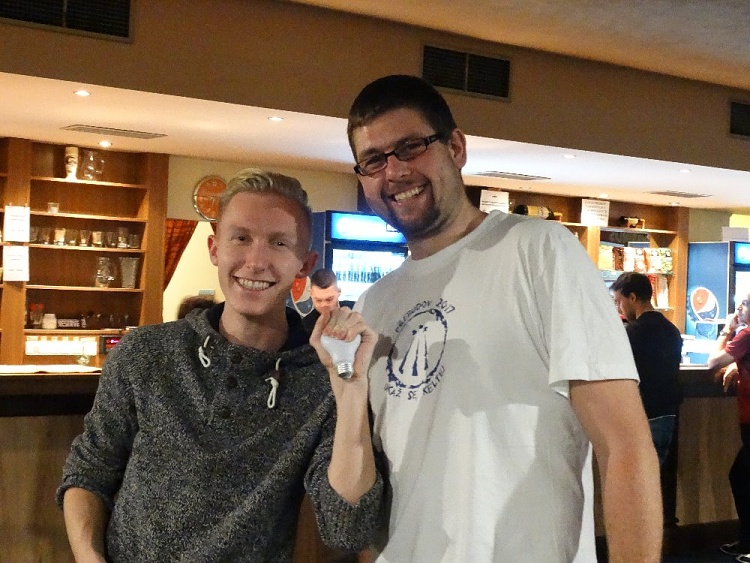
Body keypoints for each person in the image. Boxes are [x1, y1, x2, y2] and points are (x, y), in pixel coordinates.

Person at [344, 74, 662, 562]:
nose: (395, 171)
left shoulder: (540, 251)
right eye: (373, 160)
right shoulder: (373, 304)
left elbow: (624, 445)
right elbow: (376, 481)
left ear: (456, 147)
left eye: (410, 147)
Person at [56, 168, 385, 561]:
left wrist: (350, 389)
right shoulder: (145, 353)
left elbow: (348, 528)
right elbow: (89, 472)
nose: (256, 261)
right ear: (214, 249)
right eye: (240, 238)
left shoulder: (321, 380)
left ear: (304, 264)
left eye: (279, 243)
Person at [610, 272, 683, 466]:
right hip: (668, 414)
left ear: (632, 298)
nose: (619, 308)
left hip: (643, 414)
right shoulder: (672, 330)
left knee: (638, 473)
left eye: (619, 302)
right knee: (656, 473)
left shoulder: (632, 333)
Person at [708, 294, 750, 561]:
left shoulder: (746, 334)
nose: (739, 309)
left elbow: (712, 361)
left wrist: (726, 329)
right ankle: (746, 541)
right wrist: (736, 363)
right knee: (741, 477)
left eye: (744, 305)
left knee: (740, 477)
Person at [302, 267, 355, 333]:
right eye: (318, 300)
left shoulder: (356, 309)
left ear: (339, 291)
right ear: (311, 294)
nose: (324, 305)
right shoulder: (306, 325)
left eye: (329, 299)